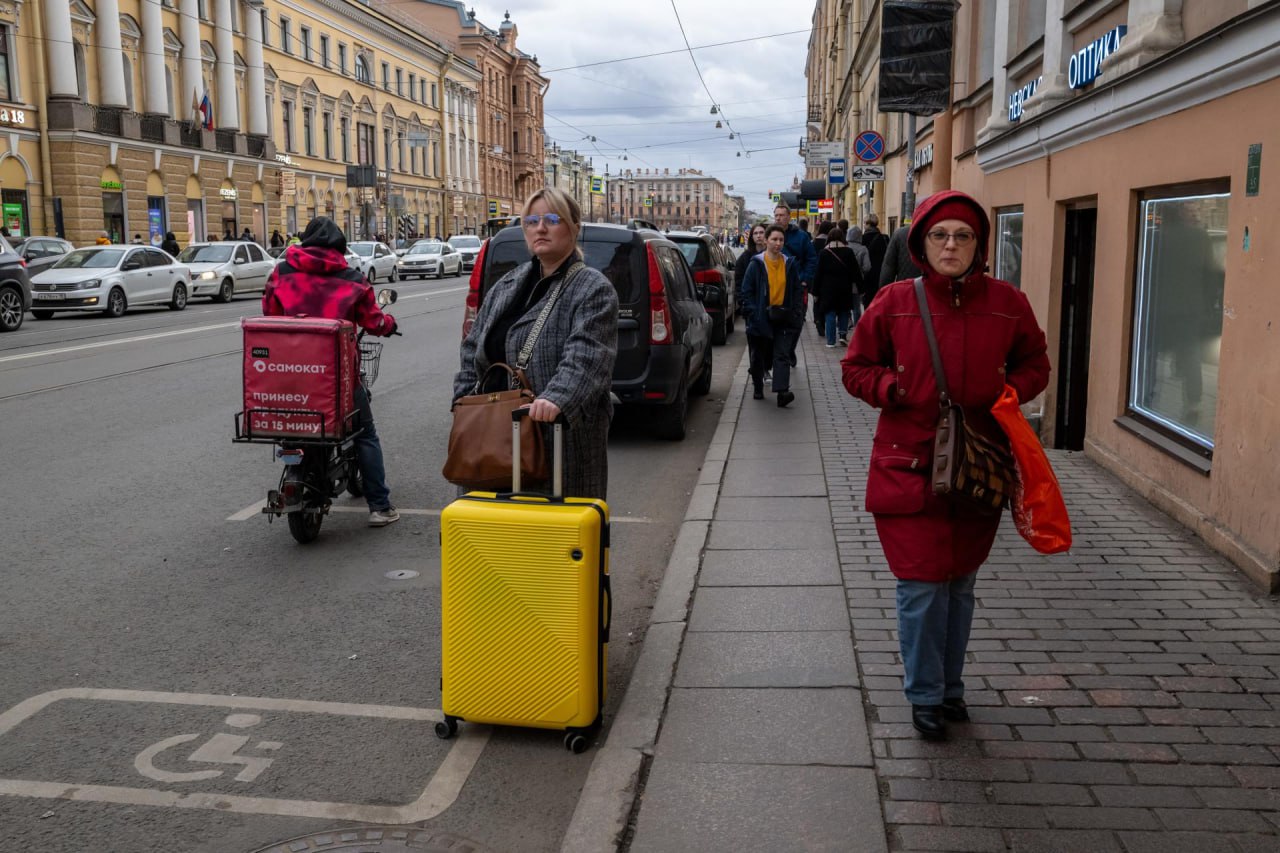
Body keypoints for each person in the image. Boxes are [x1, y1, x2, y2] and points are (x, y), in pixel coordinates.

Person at [840, 190, 1050, 741]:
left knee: (959, 585)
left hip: (977, 465)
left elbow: (1037, 363)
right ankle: (926, 695)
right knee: (921, 586)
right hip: (909, 465)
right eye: (940, 235)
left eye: (962, 235)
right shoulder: (893, 301)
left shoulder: (1007, 302)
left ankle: (949, 689)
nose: (950, 245)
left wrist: (1009, 390)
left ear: (978, 245)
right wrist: (894, 386)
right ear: (922, 244)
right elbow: (856, 367)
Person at [453, 187, 618, 499]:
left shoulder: (592, 288)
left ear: (574, 227)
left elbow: (587, 356)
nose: (540, 228)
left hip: (554, 439)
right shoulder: (507, 284)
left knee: (552, 539)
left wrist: (556, 399)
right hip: (492, 436)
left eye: (552, 219)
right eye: (531, 221)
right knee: (490, 531)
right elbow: (472, 347)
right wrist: (462, 400)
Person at [262, 216, 401, 528]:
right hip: (338, 378)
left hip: (289, 375)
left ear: (304, 242)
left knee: (292, 424)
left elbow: (269, 315)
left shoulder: (281, 272)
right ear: (340, 247)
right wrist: (390, 325)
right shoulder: (351, 278)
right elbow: (374, 321)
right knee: (365, 432)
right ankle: (379, 506)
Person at [739, 224, 805, 407]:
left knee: (782, 354)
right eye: (774, 239)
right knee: (760, 355)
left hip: (783, 317)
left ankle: (782, 392)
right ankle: (758, 386)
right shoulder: (756, 263)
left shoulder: (789, 263)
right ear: (767, 241)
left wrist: (796, 312)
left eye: (781, 240)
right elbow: (746, 291)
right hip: (761, 317)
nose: (778, 243)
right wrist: (753, 312)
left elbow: (797, 290)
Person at [814, 228, 869, 348]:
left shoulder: (824, 253)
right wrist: (861, 288)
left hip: (828, 288)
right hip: (844, 286)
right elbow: (856, 272)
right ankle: (843, 335)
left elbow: (818, 273)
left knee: (830, 313)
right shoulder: (848, 252)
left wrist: (815, 292)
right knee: (844, 311)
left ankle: (831, 341)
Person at [735, 223, 771, 396]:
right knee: (754, 345)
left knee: (769, 342)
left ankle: (764, 367)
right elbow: (739, 283)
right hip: (752, 308)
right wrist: (744, 305)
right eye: (755, 233)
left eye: (761, 233)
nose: (758, 236)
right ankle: (758, 372)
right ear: (752, 237)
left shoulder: (772, 256)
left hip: (770, 308)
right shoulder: (745, 258)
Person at [874, 223, 921, 306]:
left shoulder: (899, 234)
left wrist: (883, 294)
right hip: (934, 295)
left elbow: (888, 268)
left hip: (904, 290)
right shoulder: (937, 233)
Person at [862, 214, 890, 288]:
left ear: (868, 224)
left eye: (864, 223)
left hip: (867, 273)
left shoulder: (862, 238)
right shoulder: (885, 238)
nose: (864, 225)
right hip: (881, 272)